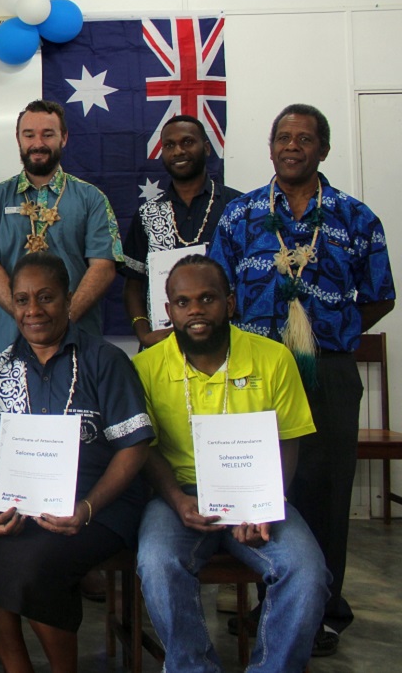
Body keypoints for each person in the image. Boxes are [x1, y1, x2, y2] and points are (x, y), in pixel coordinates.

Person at [210, 103, 395, 654]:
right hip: (253, 368)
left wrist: (328, 335)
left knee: (325, 490)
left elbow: (380, 295)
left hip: (328, 372)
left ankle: (322, 614)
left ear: (324, 149)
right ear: (270, 148)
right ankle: (271, 606)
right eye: (283, 137)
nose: (293, 146)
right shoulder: (240, 215)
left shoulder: (356, 217)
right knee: (262, 486)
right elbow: (217, 289)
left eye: (305, 138)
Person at [134, 255, 328, 672]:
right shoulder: (144, 367)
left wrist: (263, 504)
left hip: (258, 493)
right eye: (183, 302)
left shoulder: (274, 358)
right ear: (169, 312)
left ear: (231, 302)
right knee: (157, 562)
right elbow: (144, 448)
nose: (196, 310)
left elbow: (288, 442)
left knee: (308, 572)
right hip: (180, 497)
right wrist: (175, 499)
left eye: (208, 298)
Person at [0, 251, 153, 673]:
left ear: (69, 299)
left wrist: (86, 508)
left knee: (40, 562)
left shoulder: (105, 361)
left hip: (99, 506)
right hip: (23, 500)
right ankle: (18, 668)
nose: (33, 310)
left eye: (46, 297)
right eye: (22, 299)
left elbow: (134, 447)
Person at [0, 100, 123, 354]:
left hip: (77, 345)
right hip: (11, 345)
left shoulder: (92, 198)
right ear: (18, 139)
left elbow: (103, 267)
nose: (38, 143)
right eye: (29, 135)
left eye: (48, 134)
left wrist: (63, 320)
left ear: (64, 138)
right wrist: (27, 317)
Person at [122, 115, 242, 348]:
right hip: (164, 345)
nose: (178, 151)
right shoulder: (148, 213)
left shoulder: (236, 207)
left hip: (226, 343)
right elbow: (133, 284)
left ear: (206, 148)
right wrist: (144, 333)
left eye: (187, 142)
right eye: (169, 145)